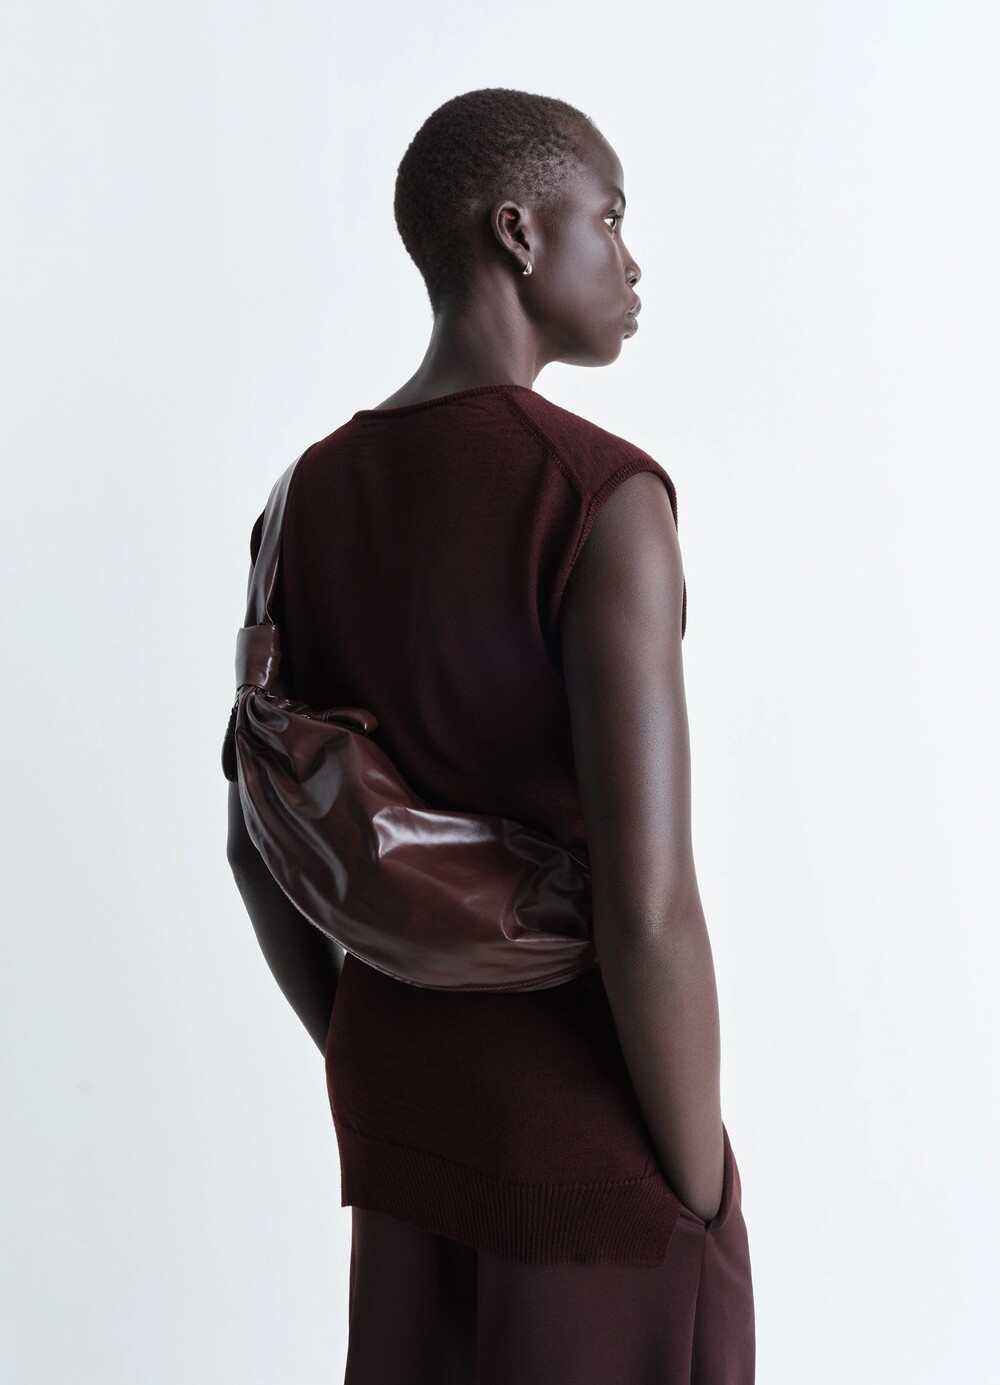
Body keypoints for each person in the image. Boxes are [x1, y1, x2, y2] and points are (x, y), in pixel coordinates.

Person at [226, 87, 755, 1383]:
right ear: (516, 234)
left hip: (402, 1119)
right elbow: (647, 913)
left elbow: (255, 844)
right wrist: (701, 1191)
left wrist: (371, 1050)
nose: (630, 262)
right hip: (588, 1150)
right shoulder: (599, 498)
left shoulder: (304, 498)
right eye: (609, 219)